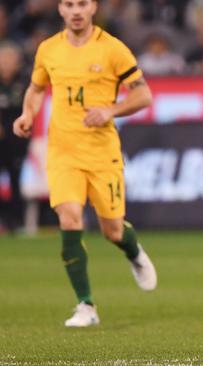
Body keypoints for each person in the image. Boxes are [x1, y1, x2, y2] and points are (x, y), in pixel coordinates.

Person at [13, 0, 157, 327]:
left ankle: (133, 252)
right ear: (61, 10)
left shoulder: (113, 49)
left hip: (101, 152)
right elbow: (36, 89)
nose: (76, 10)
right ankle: (86, 305)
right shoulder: (48, 49)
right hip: (62, 150)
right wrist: (28, 113)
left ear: (93, 7)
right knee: (70, 217)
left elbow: (143, 95)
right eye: (68, 4)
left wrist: (111, 110)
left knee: (112, 230)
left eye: (82, 3)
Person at [0, 42, 29, 233]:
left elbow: (31, 107)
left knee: (16, 180)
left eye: (11, 59)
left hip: (18, 140)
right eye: (4, 59)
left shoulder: (24, 82)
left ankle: (16, 222)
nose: (7, 63)